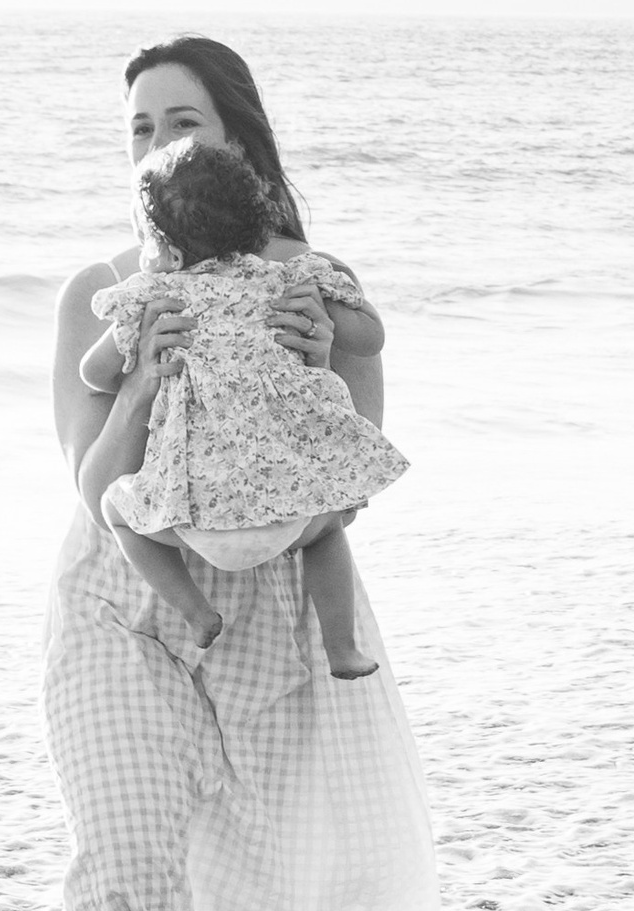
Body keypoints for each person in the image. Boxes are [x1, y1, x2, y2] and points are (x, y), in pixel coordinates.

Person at [45, 36, 440, 911]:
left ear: (237, 139)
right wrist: (141, 383)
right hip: (122, 596)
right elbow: (89, 482)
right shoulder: (103, 292)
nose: (160, 144)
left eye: (183, 122)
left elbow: (348, 469)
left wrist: (323, 369)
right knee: (121, 864)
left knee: (249, 886)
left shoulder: (309, 285)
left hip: (270, 604)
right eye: (140, 127)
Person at [78, 133, 407, 676]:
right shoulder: (291, 280)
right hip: (290, 518)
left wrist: (137, 359)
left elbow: (91, 374)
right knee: (332, 526)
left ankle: (196, 611)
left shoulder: (153, 300)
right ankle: (342, 646)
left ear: (167, 249)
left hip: (192, 525)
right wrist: (334, 317)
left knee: (118, 509)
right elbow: (369, 339)